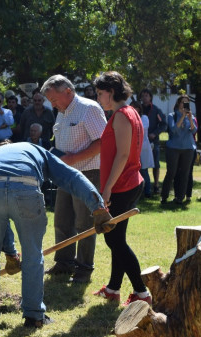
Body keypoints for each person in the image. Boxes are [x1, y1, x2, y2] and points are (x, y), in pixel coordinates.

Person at [0, 141, 113, 329]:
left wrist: (10, 253)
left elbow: (2, 213)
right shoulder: (37, 150)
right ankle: (33, 317)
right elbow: (72, 177)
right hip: (26, 189)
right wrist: (97, 206)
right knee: (32, 256)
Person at [91, 71, 152, 306]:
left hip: (123, 185)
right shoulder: (128, 112)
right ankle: (114, 288)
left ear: (112, 92)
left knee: (115, 241)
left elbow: (124, 155)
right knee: (116, 238)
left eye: (100, 93)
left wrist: (107, 189)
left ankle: (141, 293)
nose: (98, 98)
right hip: (127, 183)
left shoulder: (122, 115)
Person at [42, 75, 107, 284]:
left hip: (88, 173)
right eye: (50, 101)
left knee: (85, 223)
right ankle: (64, 263)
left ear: (68, 92)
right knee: (62, 220)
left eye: (54, 100)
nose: (53, 105)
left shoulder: (89, 108)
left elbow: (102, 143)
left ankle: (83, 269)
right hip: (66, 175)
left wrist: (72, 159)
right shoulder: (62, 112)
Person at [160, 95, 197, 204]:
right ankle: (164, 196)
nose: (184, 105)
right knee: (171, 172)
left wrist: (190, 119)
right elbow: (173, 130)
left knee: (185, 174)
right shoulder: (172, 115)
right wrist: (182, 117)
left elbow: (194, 130)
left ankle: (180, 198)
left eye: (187, 103)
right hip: (173, 148)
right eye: (182, 102)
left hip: (188, 148)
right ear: (178, 104)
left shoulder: (191, 116)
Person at [140, 89, 167, 194]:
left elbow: (163, 124)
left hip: (153, 141)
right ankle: (143, 186)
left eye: (147, 95)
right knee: (142, 164)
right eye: (143, 96)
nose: (145, 97)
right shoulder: (138, 109)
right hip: (140, 142)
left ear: (150, 97)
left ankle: (156, 185)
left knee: (155, 164)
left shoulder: (156, 110)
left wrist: (155, 133)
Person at [130, 101, 155, 197]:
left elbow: (140, 128)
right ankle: (137, 193)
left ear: (139, 109)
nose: (133, 110)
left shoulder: (144, 118)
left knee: (144, 170)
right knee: (134, 171)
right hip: (133, 148)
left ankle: (147, 191)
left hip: (142, 148)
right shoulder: (128, 118)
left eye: (135, 108)